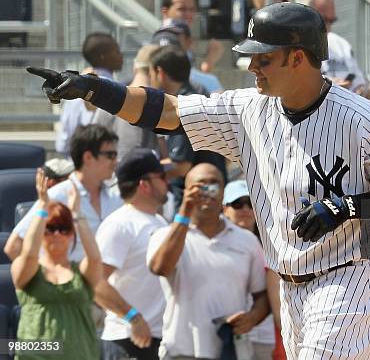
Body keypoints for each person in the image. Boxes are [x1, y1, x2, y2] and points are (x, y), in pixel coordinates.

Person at [27, 1, 370, 357]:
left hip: (350, 275)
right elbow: (166, 112)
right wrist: (95, 89)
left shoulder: (363, 118)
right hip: (290, 285)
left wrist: (348, 206)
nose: (252, 66)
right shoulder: (247, 108)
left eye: (264, 58)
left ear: (298, 58)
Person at [147, 163, 269, 359]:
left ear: (223, 192)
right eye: (200, 186)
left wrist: (253, 318)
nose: (208, 191)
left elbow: (262, 295)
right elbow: (160, 267)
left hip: (231, 351)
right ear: (187, 191)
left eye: (214, 185)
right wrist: (185, 212)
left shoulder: (247, 240)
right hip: (182, 351)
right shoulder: (165, 235)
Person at [11, 168, 102, 359]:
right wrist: (42, 208)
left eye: (63, 228)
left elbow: (94, 258)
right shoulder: (30, 271)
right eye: (50, 228)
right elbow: (29, 256)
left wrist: (76, 215)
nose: (57, 234)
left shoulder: (81, 273)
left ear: (71, 234)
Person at [5, 124, 123, 261]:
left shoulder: (117, 199)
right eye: (110, 155)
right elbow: (14, 247)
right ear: (88, 157)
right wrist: (48, 280)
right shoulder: (56, 196)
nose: (116, 161)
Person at [94, 148, 170, 360]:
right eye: (162, 177)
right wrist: (133, 318)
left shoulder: (159, 221)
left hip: (158, 340)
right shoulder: (120, 224)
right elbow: (95, 282)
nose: (168, 182)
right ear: (144, 185)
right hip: (128, 343)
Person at [147, 45, 227, 211]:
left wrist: (146, 172)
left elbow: (181, 166)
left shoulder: (184, 107)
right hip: (208, 197)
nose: (150, 79)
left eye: (150, 73)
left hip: (197, 204)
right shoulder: (194, 98)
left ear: (160, 72)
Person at [223, 179, 276, 359]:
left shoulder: (274, 244)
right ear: (224, 209)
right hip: (231, 333)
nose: (245, 209)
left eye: (250, 203)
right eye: (237, 204)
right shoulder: (214, 244)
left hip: (267, 333)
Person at [56, 33, 123, 155]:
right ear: (103, 56)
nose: (121, 55)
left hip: (76, 166)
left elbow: (62, 144)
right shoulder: (116, 91)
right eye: (117, 51)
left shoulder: (72, 87)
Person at [300, 0, 370, 98]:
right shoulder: (292, 47)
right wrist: (328, 87)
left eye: (332, 21)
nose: (328, 27)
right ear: (304, 15)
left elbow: (361, 84)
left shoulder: (341, 44)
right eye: (323, 20)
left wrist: (362, 90)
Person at [160, 0, 224, 73]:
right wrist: (208, 64)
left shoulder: (183, 37)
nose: (188, 14)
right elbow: (175, 80)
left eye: (192, 10)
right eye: (181, 9)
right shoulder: (165, 37)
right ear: (165, 12)